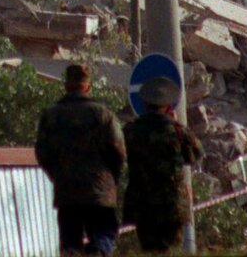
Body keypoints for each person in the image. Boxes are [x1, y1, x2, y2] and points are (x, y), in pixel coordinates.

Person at [35, 62, 127, 256]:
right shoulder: (103, 114)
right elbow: (118, 151)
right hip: (99, 191)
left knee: (70, 244)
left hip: (67, 190)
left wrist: (58, 175)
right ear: (87, 86)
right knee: (103, 237)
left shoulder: (51, 115)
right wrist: (112, 180)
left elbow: (42, 153)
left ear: (66, 85)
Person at [123, 76, 203, 253]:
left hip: (142, 204)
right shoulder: (177, 130)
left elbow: (119, 156)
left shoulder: (130, 131)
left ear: (145, 104)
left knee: (149, 249)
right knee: (170, 249)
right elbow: (195, 154)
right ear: (167, 106)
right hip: (171, 204)